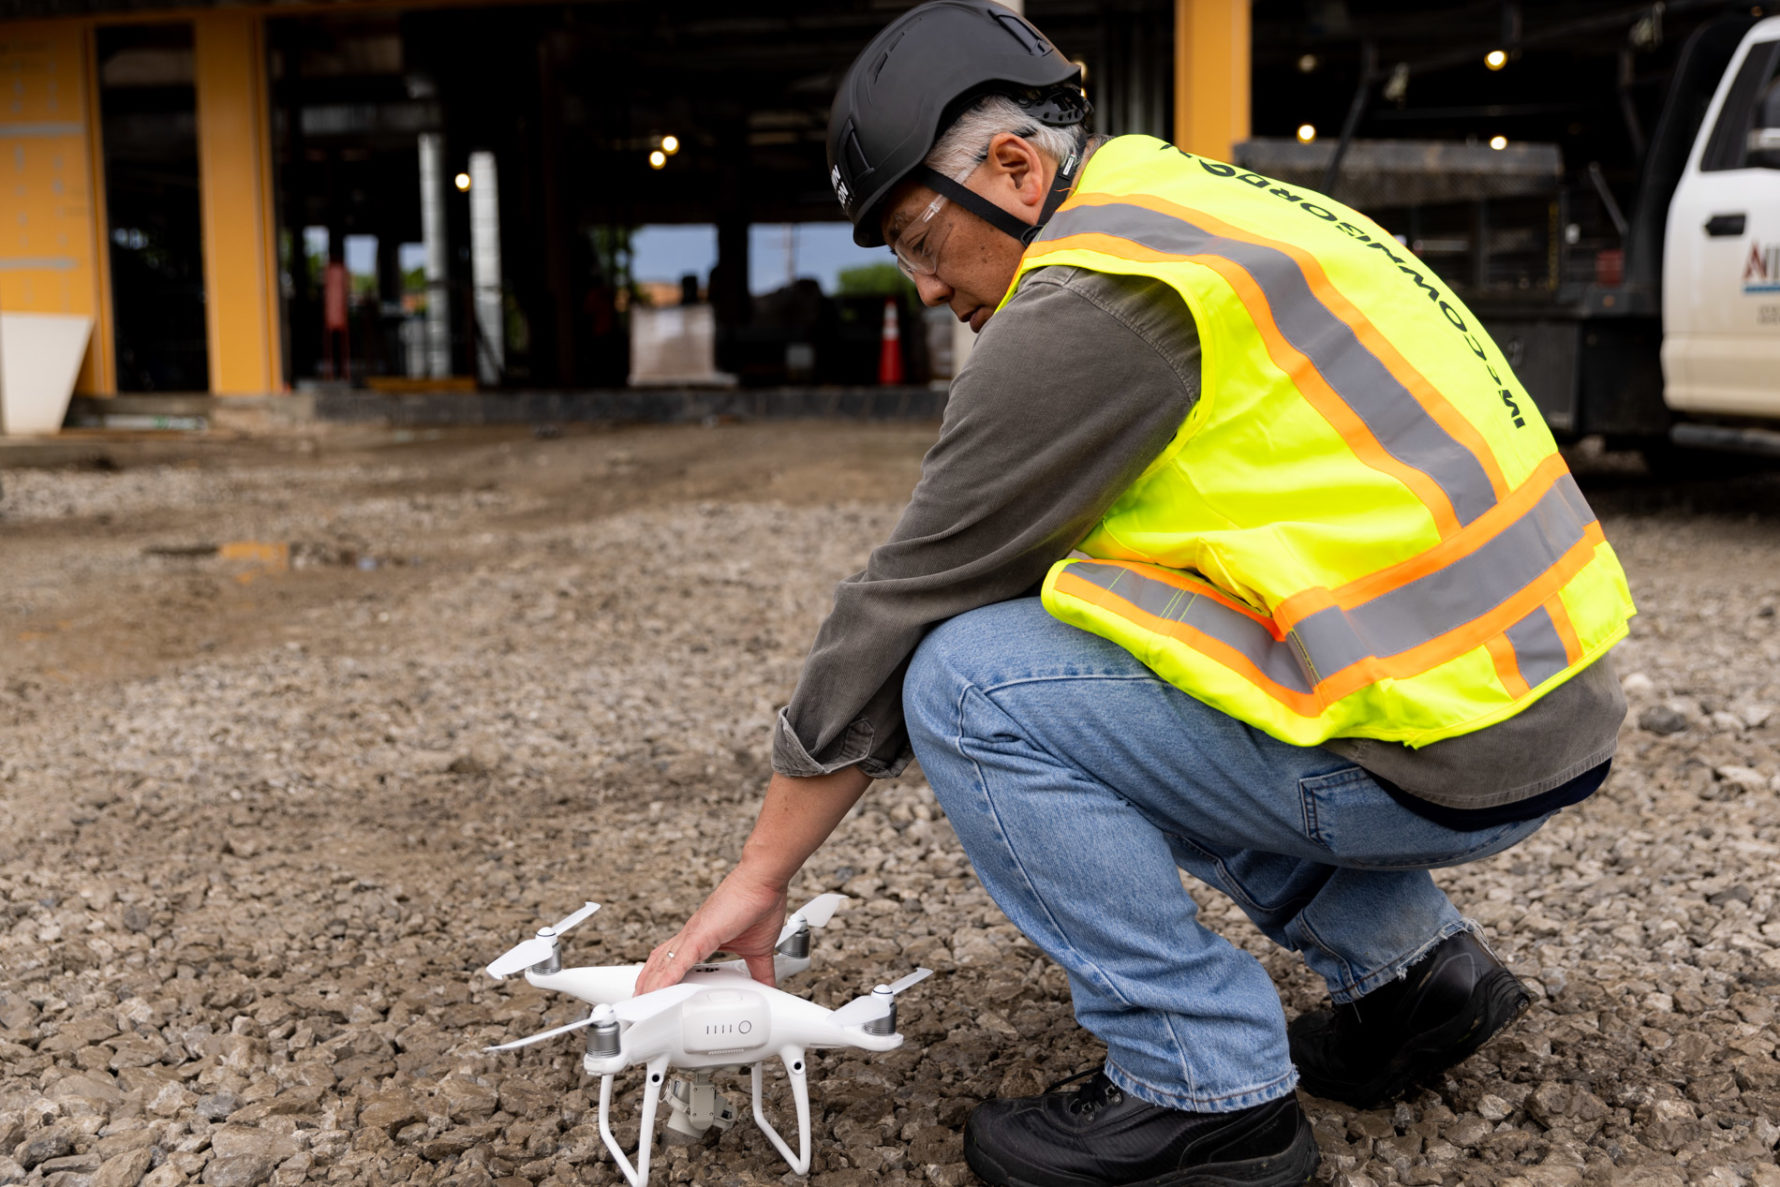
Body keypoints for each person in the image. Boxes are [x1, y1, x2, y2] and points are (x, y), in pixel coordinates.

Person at [635, 3, 1636, 1183]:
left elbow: (906, 595)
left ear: (1013, 167)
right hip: (1527, 692)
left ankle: (1199, 1086)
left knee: (967, 680)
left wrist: (758, 877)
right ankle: (1413, 971)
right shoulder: (1186, 207)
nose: (915, 283)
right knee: (1105, 634)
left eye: (915, 237)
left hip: (1450, 742)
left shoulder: (1092, 303)